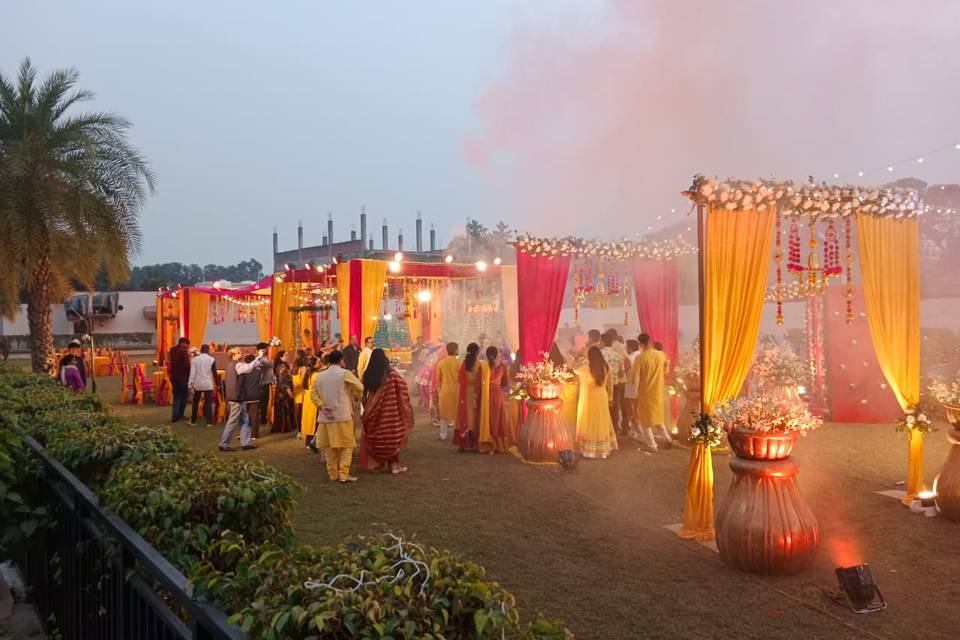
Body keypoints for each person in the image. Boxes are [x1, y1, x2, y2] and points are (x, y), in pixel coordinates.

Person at [311, 350, 364, 482]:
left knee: (329, 446)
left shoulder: (319, 375)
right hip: (343, 414)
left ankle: (333, 474)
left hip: (326, 415)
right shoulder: (345, 373)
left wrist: (321, 405)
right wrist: (355, 396)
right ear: (341, 360)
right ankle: (343, 474)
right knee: (347, 445)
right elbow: (360, 386)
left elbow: (313, 394)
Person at [359, 349, 415, 473]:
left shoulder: (367, 373)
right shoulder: (391, 374)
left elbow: (363, 394)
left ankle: (378, 465)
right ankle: (394, 465)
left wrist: (367, 407)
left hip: (372, 408)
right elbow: (402, 387)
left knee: (377, 435)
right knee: (391, 435)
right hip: (390, 409)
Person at [574, 347, 618, 459]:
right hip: (602, 396)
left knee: (589, 421)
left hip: (589, 398)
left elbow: (574, 369)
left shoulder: (586, 367)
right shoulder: (606, 367)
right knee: (601, 420)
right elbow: (610, 384)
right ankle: (601, 449)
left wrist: (580, 357)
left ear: (590, 356)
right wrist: (610, 397)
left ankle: (589, 449)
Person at [218, 348, 263, 451]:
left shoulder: (230, 365)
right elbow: (249, 367)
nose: (241, 353)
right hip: (237, 397)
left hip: (237, 397)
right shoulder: (237, 365)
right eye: (238, 352)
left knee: (245, 420)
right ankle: (224, 444)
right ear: (233, 355)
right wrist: (259, 357)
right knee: (233, 421)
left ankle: (245, 443)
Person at [632, 333, 671, 452]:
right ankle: (667, 439)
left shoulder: (640, 357)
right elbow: (666, 369)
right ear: (650, 341)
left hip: (645, 392)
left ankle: (652, 445)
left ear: (640, 344)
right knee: (658, 418)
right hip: (658, 391)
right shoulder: (661, 354)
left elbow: (633, 377)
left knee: (645, 421)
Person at [479, 345, 511, 454]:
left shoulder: (484, 366)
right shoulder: (502, 367)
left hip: (486, 394)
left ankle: (490, 444)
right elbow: (505, 383)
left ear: (487, 355)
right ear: (497, 355)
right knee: (498, 418)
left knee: (489, 418)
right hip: (498, 395)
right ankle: (500, 446)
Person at [452, 343, 481, 451]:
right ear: (476, 352)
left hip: (463, 393)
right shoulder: (478, 365)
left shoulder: (463, 364)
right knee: (472, 418)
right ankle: (472, 445)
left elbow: (459, 379)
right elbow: (479, 381)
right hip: (473, 393)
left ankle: (462, 444)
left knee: (462, 415)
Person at [241, 349, 271, 440]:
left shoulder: (243, 371)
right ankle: (254, 434)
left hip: (245, 395)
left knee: (244, 415)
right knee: (254, 415)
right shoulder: (258, 371)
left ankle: (243, 433)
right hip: (256, 394)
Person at [600, 331, 625, 435]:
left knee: (602, 407)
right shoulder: (618, 356)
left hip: (602, 385)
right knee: (614, 407)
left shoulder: (599, 354)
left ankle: (603, 428)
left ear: (602, 342)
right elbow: (622, 372)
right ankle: (614, 429)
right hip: (615, 384)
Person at [188, 343, 218, 426]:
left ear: (201, 350)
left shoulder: (195, 360)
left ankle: (193, 420)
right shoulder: (211, 359)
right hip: (208, 384)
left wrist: (190, 384)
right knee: (208, 403)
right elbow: (214, 373)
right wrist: (218, 384)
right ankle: (209, 422)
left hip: (197, 384)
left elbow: (192, 373)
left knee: (195, 402)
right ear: (208, 350)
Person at [272, 350, 296, 434]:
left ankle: (287, 426)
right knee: (284, 408)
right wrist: (288, 390)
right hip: (283, 390)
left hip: (284, 389)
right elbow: (282, 380)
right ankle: (283, 427)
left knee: (287, 408)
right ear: (280, 357)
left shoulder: (284, 365)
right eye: (286, 356)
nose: (288, 357)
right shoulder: (281, 366)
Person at [300, 356, 321, 451]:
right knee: (314, 421)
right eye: (318, 362)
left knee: (309, 421)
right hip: (314, 399)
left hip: (308, 398)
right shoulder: (316, 375)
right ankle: (312, 442)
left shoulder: (309, 374)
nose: (320, 363)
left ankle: (309, 442)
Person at [169, 338, 191, 423]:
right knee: (184, 396)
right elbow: (186, 364)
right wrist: (191, 374)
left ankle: (174, 416)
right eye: (188, 345)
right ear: (185, 344)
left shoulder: (172, 350)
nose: (188, 347)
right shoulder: (183, 351)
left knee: (176, 396)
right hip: (183, 377)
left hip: (174, 376)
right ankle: (180, 415)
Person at [623, 339, 641, 436]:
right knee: (638, 409)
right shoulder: (641, 355)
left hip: (631, 386)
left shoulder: (628, 358)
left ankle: (638, 432)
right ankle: (634, 431)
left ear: (630, 348)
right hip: (641, 386)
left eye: (626, 347)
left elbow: (623, 371)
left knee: (631, 409)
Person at [255, 342, 276, 429]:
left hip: (263, 383)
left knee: (263, 402)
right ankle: (262, 419)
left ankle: (261, 418)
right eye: (267, 349)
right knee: (263, 402)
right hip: (262, 383)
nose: (268, 350)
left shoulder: (263, 358)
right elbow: (271, 364)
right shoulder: (262, 359)